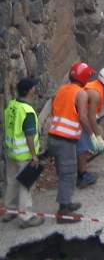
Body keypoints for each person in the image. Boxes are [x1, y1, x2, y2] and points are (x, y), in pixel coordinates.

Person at [48, 62, 95, 223]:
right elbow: (82, 117)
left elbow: (55, 110)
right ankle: (64, 211)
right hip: (65, 139)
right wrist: (92, 135)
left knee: (63, 173)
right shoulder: (81, 94)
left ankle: (66, 202)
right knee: (68, 174)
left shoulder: (62, 89)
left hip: (53, 136)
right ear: (84, 78)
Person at [3, 78, 44, 228]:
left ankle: (10, 211)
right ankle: (26, 217)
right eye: (33, 87)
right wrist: (34, 155)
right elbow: (29, 136)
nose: (35, 89)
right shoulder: (27, 111)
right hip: (24, 155)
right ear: (28, 91)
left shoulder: (12, 105)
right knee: (26, 184)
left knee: (12, 182)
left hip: (11, 152)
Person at [75, 67, 104, 189]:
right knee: (83, 148)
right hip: (79, 120)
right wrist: (97, 136)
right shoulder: (95, 93)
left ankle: (81, 170)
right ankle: (82, 175)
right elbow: (90, 117)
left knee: (88, 143)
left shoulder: (94, 85)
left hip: (79, 117)